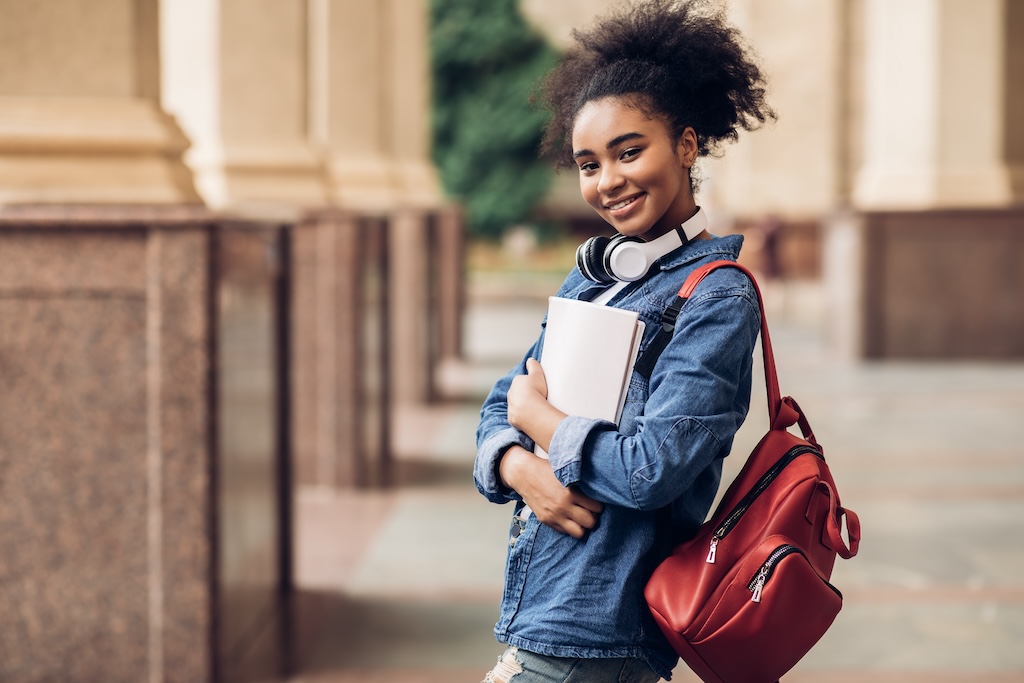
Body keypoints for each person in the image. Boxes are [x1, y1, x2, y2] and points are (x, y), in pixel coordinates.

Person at [473, 1, 776, 680]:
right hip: (546, 609)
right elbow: (500, 406)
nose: (608, 181)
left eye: (628, 150)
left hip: (601, 633)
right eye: (588, 162)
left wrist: (542, 423)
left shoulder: (716, 296)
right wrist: (520, 470)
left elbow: (651, 468)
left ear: (688, 146)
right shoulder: (596, 277)